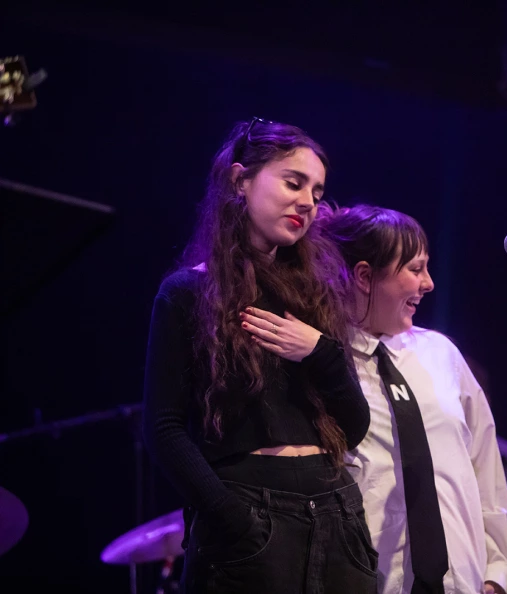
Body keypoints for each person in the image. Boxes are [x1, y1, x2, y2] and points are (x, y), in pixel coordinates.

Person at [142, 118, 377, 594]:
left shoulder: (316, 297)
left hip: (336, 512)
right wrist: (230, 516)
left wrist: (321, 353)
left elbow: (352, 427)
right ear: (239, 180)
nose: (308, 201)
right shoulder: (188, 293)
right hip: (251, 518)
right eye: (294, 182)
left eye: (316, 190)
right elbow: (163, 428)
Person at [316, 204, 507, 594]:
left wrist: (497, 572)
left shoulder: (441, 354)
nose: (428, 283)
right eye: (415, 268)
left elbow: (485, 469)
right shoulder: (327, 364)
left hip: (463, 582)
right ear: (364, 275)